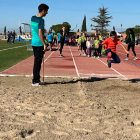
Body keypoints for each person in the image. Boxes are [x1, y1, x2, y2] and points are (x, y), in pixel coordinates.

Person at [31, 3, 49, 86]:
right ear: (43, 10)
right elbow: (40, 34)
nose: (47, 13)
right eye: (46, 11)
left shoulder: (33, 18)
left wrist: (42, 29)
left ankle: (36, 78)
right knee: (38, 62)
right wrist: (44, 44)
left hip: (33, 43)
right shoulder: (41, 20)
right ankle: (35, 81)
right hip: (39, 43)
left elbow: (35, 28)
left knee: (36, 61)